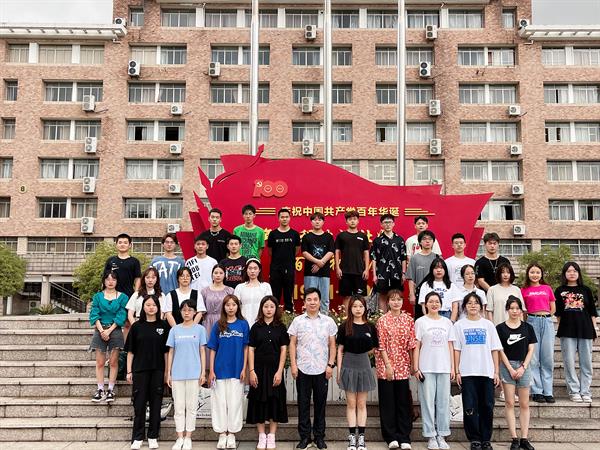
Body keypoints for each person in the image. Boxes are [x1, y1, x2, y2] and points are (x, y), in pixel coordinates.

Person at [288, 287, 338, 450]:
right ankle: (304, 437)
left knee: (320, 404)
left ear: (319, 301)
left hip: (322, 369)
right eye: (309, 299)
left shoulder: (328, 321)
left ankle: (319, 437)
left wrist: (330, 365)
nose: (312, 302)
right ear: (304, 302)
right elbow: (292, 344)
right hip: (302, 368)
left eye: (315, 299)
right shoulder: (297, 321)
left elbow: (332, 345)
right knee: (303, 404)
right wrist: (293, 365)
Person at [454, 292, 502, 450]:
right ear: (464, 307)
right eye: (469, 303)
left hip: (486, 371)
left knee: (487, 405)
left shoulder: (488, 325)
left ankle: (486, 439)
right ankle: (474, 438)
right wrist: (457, 371)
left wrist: (496, 372)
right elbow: (457, 350)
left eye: (476, 302)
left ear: (481, 306)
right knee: (469, 406)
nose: (473, 305)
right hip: (467, 372)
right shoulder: (459, 325)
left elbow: (495, 349)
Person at [125, 295, 169, 450]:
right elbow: (130, 351)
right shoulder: (136, 326)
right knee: (139, 404)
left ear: (158, 307)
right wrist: (129, 371)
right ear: (143, 307)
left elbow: (166, 352)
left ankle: (153, 436)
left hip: (158, 370)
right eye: (148, 305)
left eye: (154, 305)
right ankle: (138, 437)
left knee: (156, 404)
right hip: (139, 370)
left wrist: (167, 372)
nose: (151, 308)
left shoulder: (164, 326)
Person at [414, 292, 456, 450]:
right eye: (431, 301)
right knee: (427, 403)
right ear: (426, 304)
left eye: (437, 301)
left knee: (443, 402)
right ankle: (431, 435)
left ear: (441, 304)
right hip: (426, 367)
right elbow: (416, 346)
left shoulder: (447, 322)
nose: (434, 304)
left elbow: (451, 345)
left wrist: (453, 367)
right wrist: (416, 367)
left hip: (444, 367)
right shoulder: (420, 322)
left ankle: (442, 435)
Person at [375, 289, 416, 450]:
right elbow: (381, 345)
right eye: (392, 299)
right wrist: (388, 366)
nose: (396, 302)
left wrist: (412, 364)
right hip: (386, 366)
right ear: (388, 302)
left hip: (403, 365)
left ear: (402, 301)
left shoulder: (408, 320)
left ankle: (404, 436)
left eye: (399, 299)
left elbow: (411, 344)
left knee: (403, 402)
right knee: (388, 403)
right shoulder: (382, 321)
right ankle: (390, 437)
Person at [247, 296, 289, 450]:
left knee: (275, 401)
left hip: (275, 370)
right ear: (261, 308)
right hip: (258, 369)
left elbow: (284, 350)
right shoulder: (255, 327)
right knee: (258, 401)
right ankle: (261, 436)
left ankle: (271, 436)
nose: (269, 309)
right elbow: (251, 349)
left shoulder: (281, 327)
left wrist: (279, 371)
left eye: (272, 306)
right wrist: (251, 371)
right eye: (266, 306)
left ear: (276, 308)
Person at [208, 294, 250, 450]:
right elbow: (213, 349)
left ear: (238, 306)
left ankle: (231, 433)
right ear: (223, 307)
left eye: (233, 304)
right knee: (219, 403)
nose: (231, 307)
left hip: (236, 370)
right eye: (227, 305)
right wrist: (211, 370)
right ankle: (221, 434)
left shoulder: (243, 324)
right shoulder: (218, 325)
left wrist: (244, 368)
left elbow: (246, 348)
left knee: (235, 402)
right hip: (219, 370)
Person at [336, 295, 378, 450]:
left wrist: (363, 354)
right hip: (348, 364)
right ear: (350, 308)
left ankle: (361, 438)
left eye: (361, 306)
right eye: (355, 306)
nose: (358, 309)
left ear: (365, 308)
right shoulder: (344, 326)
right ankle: (352, 438)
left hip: (364, 364)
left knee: (361, 403)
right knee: (351, 403)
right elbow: (340, 350)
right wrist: (339, 371)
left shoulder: (370, 327)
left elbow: (374, 348)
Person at [554, 261, 598, 403]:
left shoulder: (586, 290)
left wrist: (595, 329)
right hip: (567, 331)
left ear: (578, 273)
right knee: (569, 362)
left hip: (586, 329)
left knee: (586, 363)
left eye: (574, 271)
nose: (572, 273)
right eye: (569, 271)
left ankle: (585, 391)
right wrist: (561, 327)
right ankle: (574, 391)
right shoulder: (559, 290)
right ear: (564, 274)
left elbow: (592, 312)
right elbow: (558, 314)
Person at [496, 296, 536, 450]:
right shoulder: (500, 328)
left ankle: (524, 438)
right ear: (507, 310)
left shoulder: (528, 327)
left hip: (523, 366)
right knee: (510, 403)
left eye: (517, 308)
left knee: (524, 403)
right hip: (507, 367)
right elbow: (500, 350)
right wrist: (510, 369)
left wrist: (523, 367)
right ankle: (514, 438)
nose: (514, 311)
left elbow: (531, 349)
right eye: (511, 308)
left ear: (521, 310)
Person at [166, 300, 207, 450]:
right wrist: (168, 373)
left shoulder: (200, 329)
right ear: (180, 312)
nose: (187, 312)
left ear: (195, 312)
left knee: (191, 407)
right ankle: (179, 437)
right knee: (179, 407)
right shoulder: (174, 330)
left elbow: (202, 351)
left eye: (190, 310)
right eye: (184, 310)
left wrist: (203, 372)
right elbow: (171, 352)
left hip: (194, 373)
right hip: (177, 374)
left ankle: (188, 437)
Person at [88, 270, 129, 402]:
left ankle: (110, 389)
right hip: (100, 329)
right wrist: (102, 331)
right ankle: (100, 389)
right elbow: (94, 313)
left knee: (113, 362)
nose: (110, 282)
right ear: (104, 281)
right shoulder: (97, 296)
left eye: (113, 279)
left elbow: (121, 315)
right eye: (108, 279)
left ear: (117, 281)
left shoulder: (123, 297)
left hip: (115, 330)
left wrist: (109, 330)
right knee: (100, 362)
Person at [521, 263, 556, 403]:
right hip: (531, 321)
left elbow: (553, 307)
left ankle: (548, 391)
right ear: (528, 274)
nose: (535, 275)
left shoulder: (547, 288)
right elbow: (523, 310)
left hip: (546, 321)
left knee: (547, 358)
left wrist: (545, 317)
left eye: (537, 272)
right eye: (532, 272)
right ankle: (537, 391)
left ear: (541, 274)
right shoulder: (524, 290)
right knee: (533, 358)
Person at [371, 214, 407, 313]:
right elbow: (374, 258)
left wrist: (403, 273)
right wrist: (374, 275)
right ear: (381, 224)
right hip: (382, 273)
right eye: (385, 222)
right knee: (382, 296)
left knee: (396, 296)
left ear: (393, 224)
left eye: (390, 222)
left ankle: (395, 318)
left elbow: (403, 257)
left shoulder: (400, 240)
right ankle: (383, 318)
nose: (388, 224)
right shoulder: (377, 240)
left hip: (397, 273)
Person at [335, 210, 370, 313]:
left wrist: (366, 269)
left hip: (360, 271)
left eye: (355, 219)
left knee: (360, 298)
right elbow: (337, 252)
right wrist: (337, 267)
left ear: (358, 221)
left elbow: (366, 253)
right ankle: (345, 319)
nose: (352, 221)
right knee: (346, 297)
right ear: (346, 221)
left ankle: (360, 319)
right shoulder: (341, 236)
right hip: (345, 271)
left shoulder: (363, 236)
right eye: (350, 219)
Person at [201, 264, 234, 369]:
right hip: (208, 322)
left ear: (225, 275)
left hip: (225, 321)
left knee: (224, 346)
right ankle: (207, 373)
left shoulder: (230, 290)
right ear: (212, 275)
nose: (218, 275)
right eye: (216, 273)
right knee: (208, 347)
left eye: (221, 273)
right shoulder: (204, 291)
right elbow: (201, 310)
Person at [268, 208, 301, 312]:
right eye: (282, 217)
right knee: (275, 294)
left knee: (288, 294)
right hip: (275, 268)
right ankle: (274, 315)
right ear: (278, 218)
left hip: (289, 267)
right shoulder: (273, 234)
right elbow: (270, 251)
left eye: (286, 217)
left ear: (290, 218)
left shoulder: (294, 234)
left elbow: (297, 250)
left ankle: (289, 314)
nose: (284, 219)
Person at [302, 211, 335, 314]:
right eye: (315, 220)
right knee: (310, 298)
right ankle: (308, 318)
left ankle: (325, 319)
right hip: (310, 272)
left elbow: (331, 251)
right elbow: (304, 252)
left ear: (323, 222)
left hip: (324, 273)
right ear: (311, 222)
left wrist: (322, 262)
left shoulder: (328, 237)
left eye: (319, 220)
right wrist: (317, 262)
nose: (317, 222)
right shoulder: (307, 237)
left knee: (324, 298)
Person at [406, 230, 439, 320]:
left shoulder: (437, 258)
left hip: (435, 293)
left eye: (430, 239)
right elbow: (411, 278)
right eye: (424, 239)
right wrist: (411, 294)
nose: (427, 241)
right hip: (419, 293)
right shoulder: (414, 258)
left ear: (433, 242)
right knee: (420, 319)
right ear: (420, 242)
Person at [234, 258, 272, 324]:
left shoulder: (265, 286)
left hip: (261, 323)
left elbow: (269, 304)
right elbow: (236, 305)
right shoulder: (240, 287)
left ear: (259, 270)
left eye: (255, 268)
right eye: (250, 268)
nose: (252, 271)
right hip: (243, 322)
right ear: (246, 270)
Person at [103, 233, 142, 299]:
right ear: (116, 245)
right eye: (120, 242)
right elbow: (105, 278)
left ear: (130, 245)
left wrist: (136, 294)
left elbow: (138, 279)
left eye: (125, 243)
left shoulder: (135, 261)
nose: (122, 245)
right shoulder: (110, 260)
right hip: (111, 296)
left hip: (128, 295)